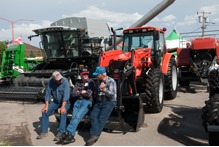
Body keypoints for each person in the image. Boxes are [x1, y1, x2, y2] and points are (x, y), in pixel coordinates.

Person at [59, 67, 95, 144]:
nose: (85, 75)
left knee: (78, 116)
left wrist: (79, 91)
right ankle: (71, 136)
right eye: (84, 74)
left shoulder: (91, 82)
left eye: (86, 74)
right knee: (74, 117)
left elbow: (89, 94)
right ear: (81, 75)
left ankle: (67, 132)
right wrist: (82, 92)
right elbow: (74, 93)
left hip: (87, 102)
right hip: (78, 101)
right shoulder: (78, 82)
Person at [85, 66, 117, 146]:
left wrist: (104, 89)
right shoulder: (98, 81)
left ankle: (94, 135)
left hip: (108, 102)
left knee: (101, 119)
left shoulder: (111, 81)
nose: (96, 76)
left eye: (97, 74)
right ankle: (95, 134)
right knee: (93, 116)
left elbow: (113, 95)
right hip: (99, 102)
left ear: (102, 74)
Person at [36, 71, 71, 141]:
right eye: (58, 80)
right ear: (54, 79)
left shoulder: (65, 81)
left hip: (65, 102)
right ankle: (44, 131)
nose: (60, 80)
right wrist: (46, 106)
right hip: (55, 102)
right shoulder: (51, 82)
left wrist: (62, 107)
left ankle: (61, 132)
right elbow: (48, 94)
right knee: (45, 112)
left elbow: (66, 96)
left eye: (60, 79)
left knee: (62, 112)